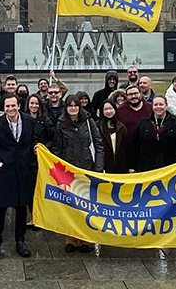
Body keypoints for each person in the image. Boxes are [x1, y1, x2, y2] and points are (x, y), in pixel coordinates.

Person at [0, 95, 38, 263]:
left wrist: (34, 155)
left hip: (23, 171)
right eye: (7, 106)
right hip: (4, 171)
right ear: (4, 107)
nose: (10, 109)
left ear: (19, 105)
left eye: (13, 105)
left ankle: (20, 241)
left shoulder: (29, 121)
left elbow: (34, 141)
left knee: (21, 208)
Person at [50, 95, 104, 253]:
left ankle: (86, 239)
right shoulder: (60, 124)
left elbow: (98, 143)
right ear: (66, 108)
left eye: (75, 105)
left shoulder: (88, 121)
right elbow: (57, 149)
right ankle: (71, 238)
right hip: (69, 172)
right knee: (71, 207)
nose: (73, 108)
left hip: (87, 169)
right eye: (70, 105)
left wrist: (98, 168)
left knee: (87, 206)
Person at [129, 97, 176, 172]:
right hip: (147, 167)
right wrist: (132, 166)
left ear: (166, 106)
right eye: (155, 105)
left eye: (161, 104)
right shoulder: (143, 123)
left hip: (170, 168)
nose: (158, 107)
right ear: (152, 107)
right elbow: (135, 145)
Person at [98, 100, 129, 174]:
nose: (108, 111)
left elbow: (126, 148)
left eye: (111, 108)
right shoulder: (98, 127)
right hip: (104, 167)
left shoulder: (121, 127)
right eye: (106, 109)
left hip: (120, 167)